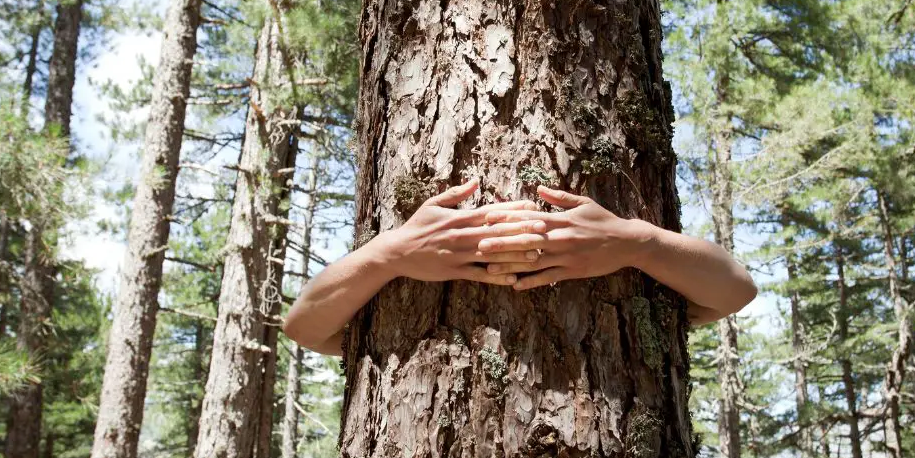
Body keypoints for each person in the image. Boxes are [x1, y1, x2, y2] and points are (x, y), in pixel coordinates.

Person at [282, 178, 758, 355]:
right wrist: (391, 252)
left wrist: (637, 241)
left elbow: (736, 289)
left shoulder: (644, 277)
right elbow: (305, 325)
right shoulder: (382, 297)